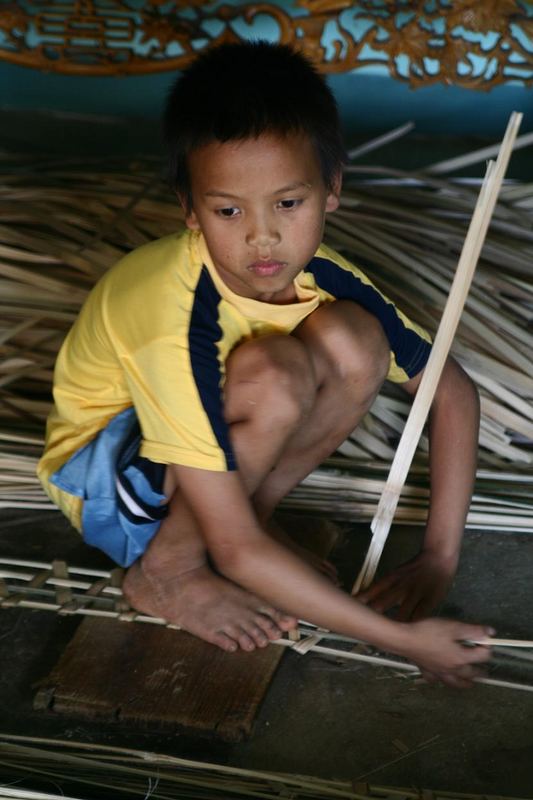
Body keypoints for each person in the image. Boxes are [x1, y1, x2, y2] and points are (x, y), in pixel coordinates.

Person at [38, 40, 493, 687]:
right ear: (189, 208)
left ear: (330, 189)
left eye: (287, 203)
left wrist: (438, 557)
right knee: (274, 373)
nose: (262, 237)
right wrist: (400, 639)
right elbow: (236, 548)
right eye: (228, 210)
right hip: (105, 479)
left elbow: (450, 394)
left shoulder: (325, 275)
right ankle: (167, 571)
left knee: (353, 337)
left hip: (191, 459)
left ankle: (246, 517)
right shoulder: (174, 312)